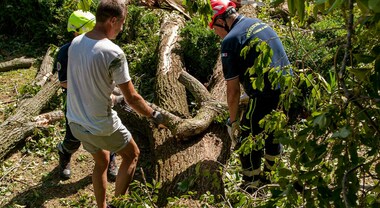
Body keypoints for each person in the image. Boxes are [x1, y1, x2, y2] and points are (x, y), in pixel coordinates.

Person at [66, 1, 163, 207]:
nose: (121, 28)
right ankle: (118, 205)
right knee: (132, 154)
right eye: (121, 23)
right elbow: (132, 98)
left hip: (76, 122)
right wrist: (154, 115)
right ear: (112, 20)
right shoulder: (113, 52)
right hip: (100, 125)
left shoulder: (76, 42)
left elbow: (84, 81)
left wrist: (110, 97)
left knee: (101, 162)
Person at [209, 0, 290, 191]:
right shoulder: (259, 23)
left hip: (265, 94)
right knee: (272, 133)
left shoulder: (231, 41)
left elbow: (232, 90)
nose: (217, 34)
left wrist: (234, 120)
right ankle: (271, 177)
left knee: (247, 139)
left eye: (215, 29)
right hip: (286, 89)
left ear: (221, 21)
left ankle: (251, 186)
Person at [56, 10, 119, 181]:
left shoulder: (101, 49)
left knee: (107, 131)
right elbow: (63, 82)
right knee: (73, 138)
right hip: (75, 103)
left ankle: (111, 159)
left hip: (99, 102)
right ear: (76, 31)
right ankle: (65, 153)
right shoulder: (66, 52)